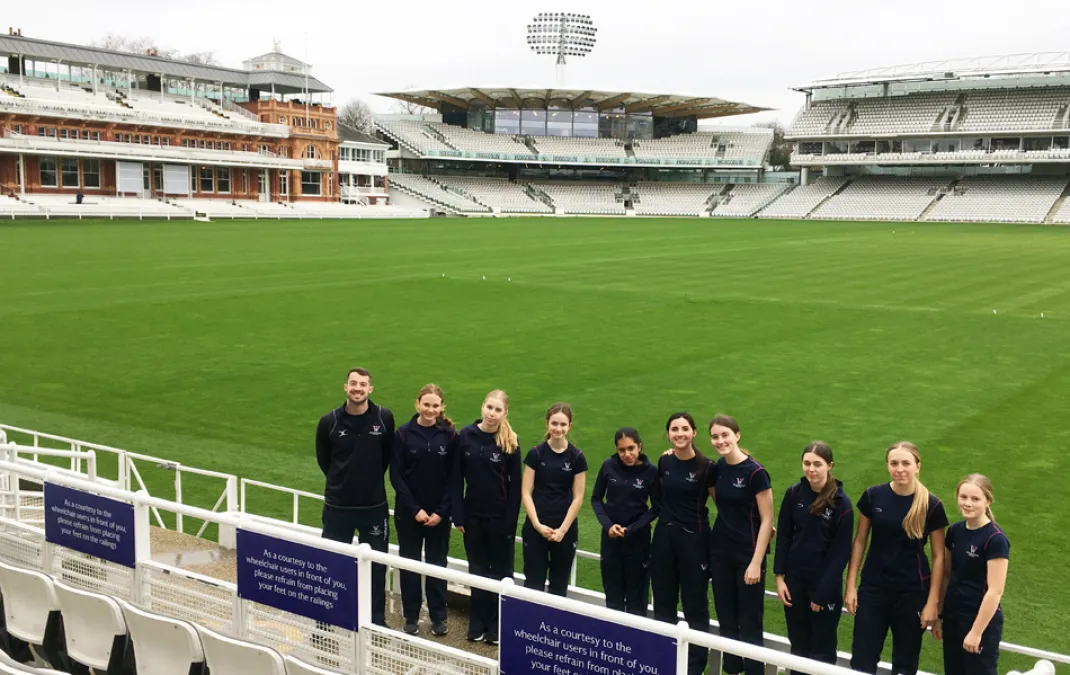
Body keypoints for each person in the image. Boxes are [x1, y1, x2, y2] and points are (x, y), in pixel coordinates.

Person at [845, 441, 948, 675]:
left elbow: (939, 556)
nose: (900, 469)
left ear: (917, 466)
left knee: (905, 663)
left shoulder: (931, 504)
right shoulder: (873, 496)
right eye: (894, 463)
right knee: (862, 658)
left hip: (912, 593)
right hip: (873, 589)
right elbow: (860, 541)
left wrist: (933, 602)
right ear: (887, 466)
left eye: (906, 463)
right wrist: (850, 585)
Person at [315, 367, 395, 627]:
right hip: (338, 507)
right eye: (353, 383)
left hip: (373, 507)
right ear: (345, 387)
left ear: (370, 388)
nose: (357, 388)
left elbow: (386, 457)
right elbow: (324, 461)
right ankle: (326, 621)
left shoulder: (384, 417)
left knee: (376, 566)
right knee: (332, 564)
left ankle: (376, 621)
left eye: (362, 384)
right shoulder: (329, 422)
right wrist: (343, 483)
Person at [773, 441, 854, 674]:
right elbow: (784, 536)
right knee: (798, 645)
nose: (811, 469)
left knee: (822, 650)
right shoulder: (794, 493)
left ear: (830, 465)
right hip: (794, 583)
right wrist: (780, 577)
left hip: (823, 587)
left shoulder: (841, 504)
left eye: (817, 464)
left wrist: (822, 593)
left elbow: (840, 553)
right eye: (807, 463)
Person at [451, 390, 521, 645]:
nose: (492, 413)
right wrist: (458, 514)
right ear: (482, 407)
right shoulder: (465, 436)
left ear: (505, 413)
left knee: (500, 571)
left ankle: (496, 624)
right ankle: (477, 621)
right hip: (473, 517)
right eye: (489, 408)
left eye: (498, 410)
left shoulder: (510, 441)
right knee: (477, 570)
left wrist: (509, 523)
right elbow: (456, 478)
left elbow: (516, 487)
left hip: (499, 519)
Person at [707, 415, 774, 675]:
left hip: (748, 555)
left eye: (725, 435)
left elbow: (767, 520)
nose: (720, 441)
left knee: (749, 623)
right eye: (715, 437)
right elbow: (722, 503)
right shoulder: (718, 468)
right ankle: (732, 670)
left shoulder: (756, 473)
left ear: (737, 435)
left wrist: (756, 562)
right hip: (721, 553)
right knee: (726, 619)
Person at [390, 384, 457, 637]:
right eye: (426, 404)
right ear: (418, 404)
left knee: (437, 564)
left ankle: (439, 616)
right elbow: (396, 475)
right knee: (409, 563)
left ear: (441, 407)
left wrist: (441, 511)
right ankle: (411, 616)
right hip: (409, 514)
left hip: (439, 515)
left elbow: (454, 477)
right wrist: (414, 509)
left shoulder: (449, 435)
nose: (430, 409)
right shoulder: (403, 434)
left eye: (435, 405)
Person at [651, 412, 711, 675]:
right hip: (664, 537)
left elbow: (724, 503)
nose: (679, 434)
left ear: (694, 432)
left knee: (694, 605)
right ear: (668, 434)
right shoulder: (664, 461)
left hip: (694, 539)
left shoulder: (707, 467)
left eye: (684, 429)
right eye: (674, 429)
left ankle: (694, 667)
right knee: (663, 602)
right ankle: (664, 661)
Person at [937, 474, 1009, 675]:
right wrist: (939, 615)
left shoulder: (995, 539)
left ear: (988, 501)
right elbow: (946, 575)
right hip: (953, 617)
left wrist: (976, 632)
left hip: (980, 621)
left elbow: (995, 591)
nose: (967, 503)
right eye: (963, 497)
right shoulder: (955, 531)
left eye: (975, 499)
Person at [591, 427, 661, 616]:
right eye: (622, 450)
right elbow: (596, 499)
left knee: (636, 599)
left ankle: (635, 635)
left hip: (638, 541)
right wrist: (608, 526)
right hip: (611, 540)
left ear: (640, 447)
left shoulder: (651, 472)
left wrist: (632, 529)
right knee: (613, 596)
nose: (627, 454)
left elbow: (656, 507)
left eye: (631, 448)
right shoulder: (608, 466)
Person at [521, 402, 588, 596]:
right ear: (547, 423)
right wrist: (537, 525)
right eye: (554, 423)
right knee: (533, 583)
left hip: (564, 530)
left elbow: (578, 497)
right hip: (536, 528)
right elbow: (526, 492)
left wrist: (562, 530)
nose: (558, 428)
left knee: (559, 586)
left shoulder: (577, 457)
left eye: (563, 424)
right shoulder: (536, 454)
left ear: (569, 426)